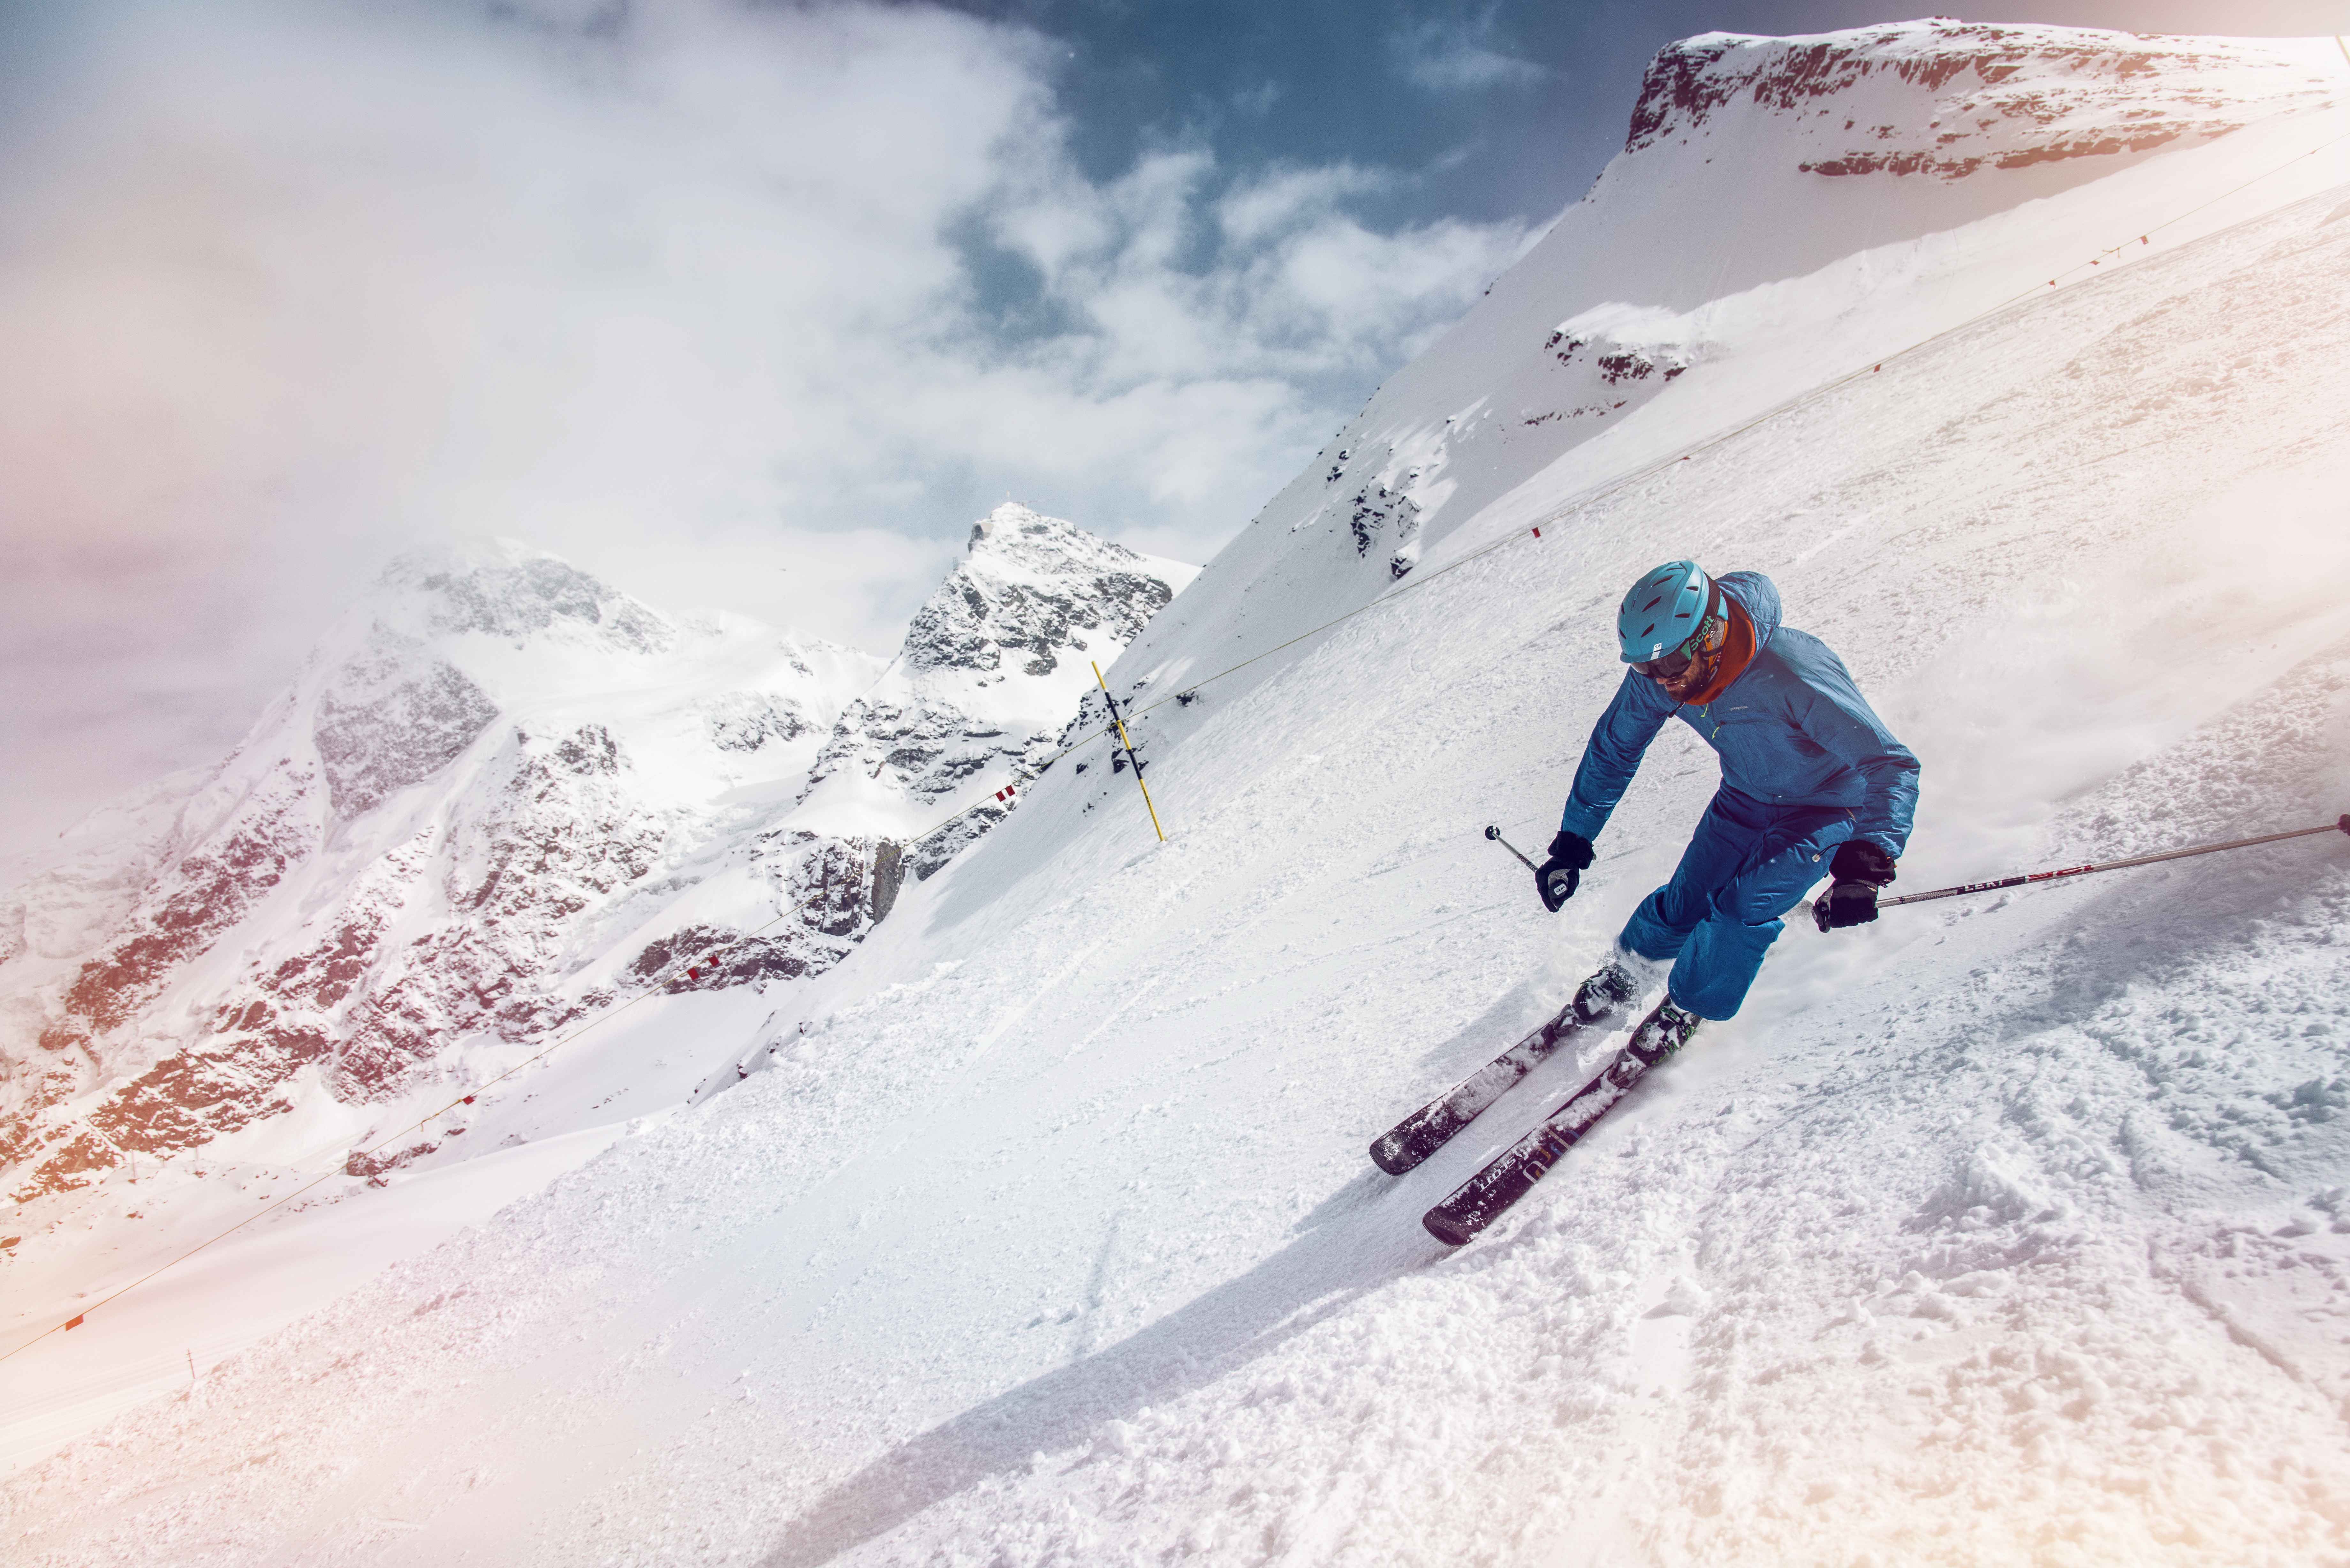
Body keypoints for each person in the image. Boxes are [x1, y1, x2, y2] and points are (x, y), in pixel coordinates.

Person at [1537, 560, 1919, 1067]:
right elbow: (1616, 748)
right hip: (1744, 798)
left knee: (1739, 910)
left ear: (1711, 634)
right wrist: (1574, 843)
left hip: (1827, 807)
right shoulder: (1662, 674)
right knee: (1685, 903)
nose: (1661, 681)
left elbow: (1890, 764)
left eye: (1670, 664)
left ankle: (1689, 1007)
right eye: (1646, 668)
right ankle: (1629, 971)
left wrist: (1863, 868)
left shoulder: (1791, 672)